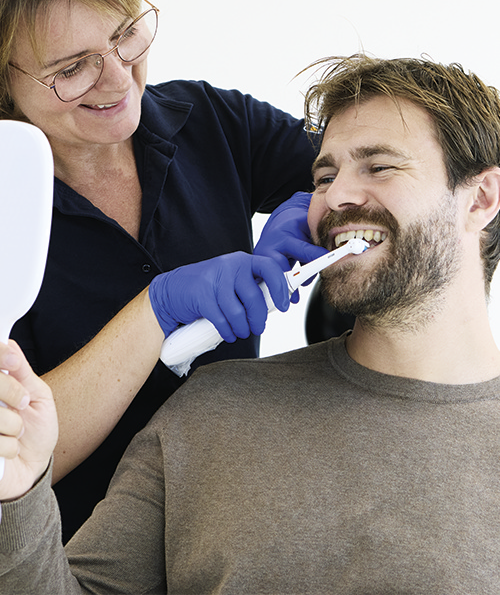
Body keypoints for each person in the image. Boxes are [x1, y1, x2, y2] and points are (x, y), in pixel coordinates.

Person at [2, 52, 500, 594]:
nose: (335, 198)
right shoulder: (211, 410)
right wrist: (17, 492)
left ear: (482, 197)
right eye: (325, 175)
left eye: (379, 167)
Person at [0, 0, 320, 539]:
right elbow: (18, 451)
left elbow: (351, 174)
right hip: (72, 562)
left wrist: (311, 207)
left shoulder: (209, 121)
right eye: (72, 68)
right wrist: (155, 311)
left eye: (125, 34)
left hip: (229, 537)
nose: (118, 78)